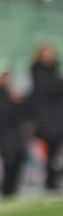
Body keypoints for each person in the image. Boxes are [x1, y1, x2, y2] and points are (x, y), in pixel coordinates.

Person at [0, 72, 29, 197]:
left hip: (15, 138)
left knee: (17, 164)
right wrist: (14, 102)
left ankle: (12, 190)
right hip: (7, 138)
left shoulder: (9, 96)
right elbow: (3, 116)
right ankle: (7, 191)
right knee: (9, 165)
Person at [29, 44, 63, 191]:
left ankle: (53, 179)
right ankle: (51, 181)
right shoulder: (40, 73)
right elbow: (51, 89)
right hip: (49, 121)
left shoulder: (53, 71)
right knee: (51, 152)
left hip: (56, 119)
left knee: (54, 153)